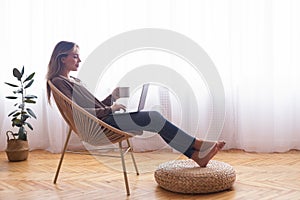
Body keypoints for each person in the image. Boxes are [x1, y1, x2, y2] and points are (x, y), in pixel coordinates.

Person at [46, 41, 225, 167]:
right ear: (62, 58)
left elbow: (95, 106)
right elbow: (78, 112)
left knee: (155, 120)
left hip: (104, 119)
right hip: (97, 127)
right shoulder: (59, 81)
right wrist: (111, 108)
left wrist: (113, 97)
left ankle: (195, 153)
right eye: (75, 56)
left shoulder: (73, 80)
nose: (79, 60)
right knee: (154, 117)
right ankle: (197, 146)